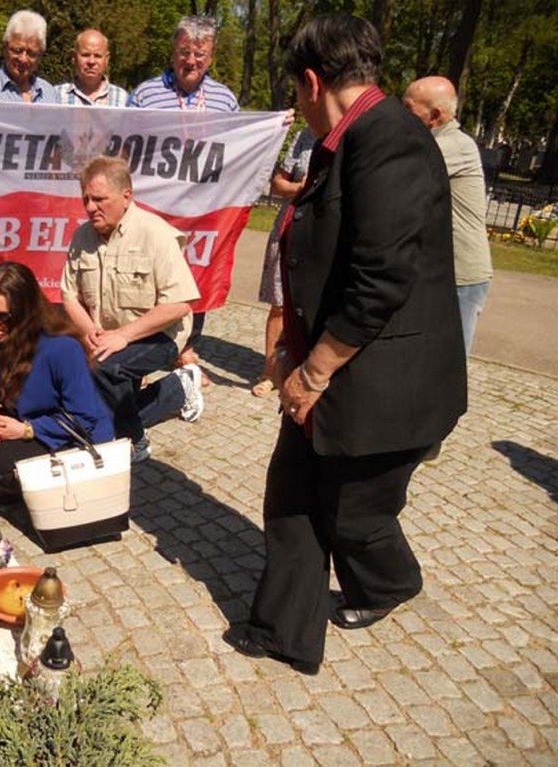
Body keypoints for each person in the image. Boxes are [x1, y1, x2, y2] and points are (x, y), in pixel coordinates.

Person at [222, 14, 467, 676]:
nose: (295, 104)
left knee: (354, 514)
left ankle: (388, 582)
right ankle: (284, 629)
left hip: (379, 385)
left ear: (310, 80)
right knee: (294, 491)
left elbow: (380, 276)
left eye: (294, 92)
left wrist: (314, 372)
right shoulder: (349, 139)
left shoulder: (389, 139)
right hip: (332, 369)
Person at [61, 156, 204, 464]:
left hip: (160, 334)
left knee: (104, 370)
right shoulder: (82, 237)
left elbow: (180, 303)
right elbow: (69, 295)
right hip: (109, 338)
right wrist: (90, 332)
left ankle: (134, 439)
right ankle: (179, 388)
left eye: (99, 199)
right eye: (85, 199)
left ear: (127, 197)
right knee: (78, 386)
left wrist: (122, 337)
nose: (89, 207)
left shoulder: (156, 234)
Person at [129, 15, 240, 380]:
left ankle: (187, 348)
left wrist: (273, 129)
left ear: (210, 56)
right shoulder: (145, 94)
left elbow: (240, 147)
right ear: (173, 51)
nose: (190, 60)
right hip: (152, 205)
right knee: (146, 275)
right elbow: (123, 142)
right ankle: (137, 352)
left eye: (199, 53)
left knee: (196, 275)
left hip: (201, 209)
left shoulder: (224, 99)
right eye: (184, 52)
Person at [0, 261, 114, 496]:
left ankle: (37, 487)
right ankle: (23, 478)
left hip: (73, 436)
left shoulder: (62, 348)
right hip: (29, 420)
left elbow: (83, 418)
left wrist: (25, 431)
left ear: (25, 313)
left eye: (3, 317)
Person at [403, 76, 493, 356]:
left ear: (435, 115)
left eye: (408, 109)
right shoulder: (432, 142)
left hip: (461, 274)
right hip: (438, 270)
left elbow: (400, 176)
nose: (401, 115)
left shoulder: (453, 145)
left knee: (448, 362)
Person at [252, 127, 316, 397]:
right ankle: (271, 372)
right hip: (291, 221)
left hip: (325, 227)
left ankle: (310, 371)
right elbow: (278, 183)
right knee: (279, 303)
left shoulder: (355, 132)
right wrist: (300, 188)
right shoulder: (305, 135)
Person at [0, 10, 59, 104]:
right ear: (5, 47)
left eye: (31, 53)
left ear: (40, 55)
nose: (23, 59)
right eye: (17, 51)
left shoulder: (50, 95)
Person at [57, 29, 129, 107]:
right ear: (74, 57)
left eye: (98, 56)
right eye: (85, 55)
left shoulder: (123, 99)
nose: (91, 61)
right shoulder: (57, 96)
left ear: (106, 59)